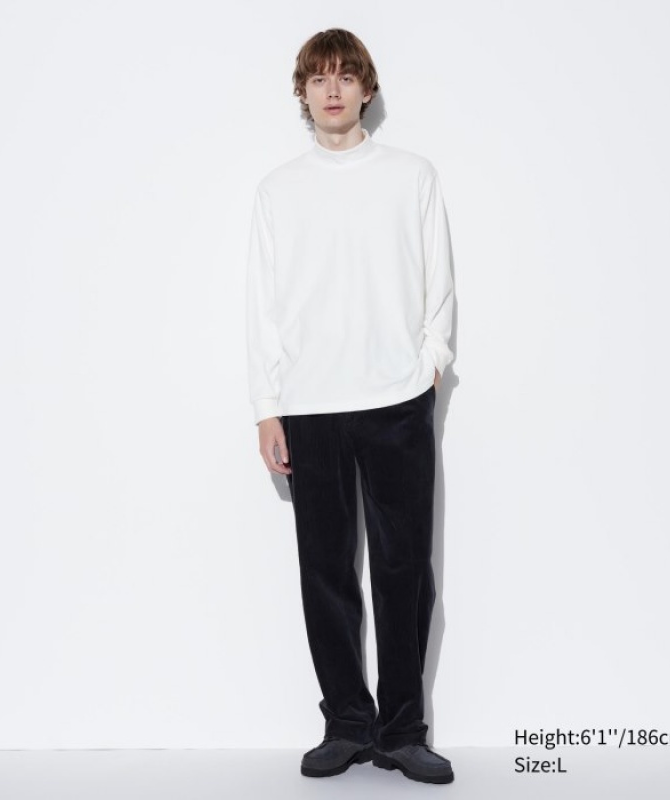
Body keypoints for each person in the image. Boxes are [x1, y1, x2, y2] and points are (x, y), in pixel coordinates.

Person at [245, 28, 455, 785]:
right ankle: (345, 723)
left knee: (404, 569)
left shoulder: (411, 175)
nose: (332, 90)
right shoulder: (278, 190)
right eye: (318, 78)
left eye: (345, 76)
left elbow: (439, 280)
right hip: (310, 403)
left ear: (367, 88)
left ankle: (403, 731)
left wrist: (430, 365)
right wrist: (267, 406)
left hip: (397, 398)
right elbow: (262, 304)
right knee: (325, 571)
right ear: (303, 93)